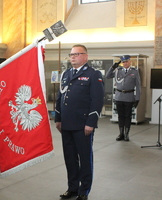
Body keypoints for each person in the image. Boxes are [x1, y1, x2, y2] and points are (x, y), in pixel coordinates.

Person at [55, 44, 104, 200]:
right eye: (71, 54)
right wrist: (58, 118)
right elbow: (60, 97)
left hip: (83, 125)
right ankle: (73, 188)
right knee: (70, 158)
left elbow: (97, 101)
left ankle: (84, 191)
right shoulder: (66, 74)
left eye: (76, 54)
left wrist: (91, 122)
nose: (73, 57)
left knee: (84, 158)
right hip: (66, 124)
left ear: (85, 56)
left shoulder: (93, 74)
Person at [106, 55, 141, 141]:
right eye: (123, 62)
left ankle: (126, 134)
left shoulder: (134, 72)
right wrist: (112, 67)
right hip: (119, 96)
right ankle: (121, 133)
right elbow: (108, 76)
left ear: (130, 62)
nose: (125, 63)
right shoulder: (118, 71)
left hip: (129, 96)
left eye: (127, 61)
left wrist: (137, 98)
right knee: (120, 116)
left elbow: (138, 86)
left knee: (127, 116)